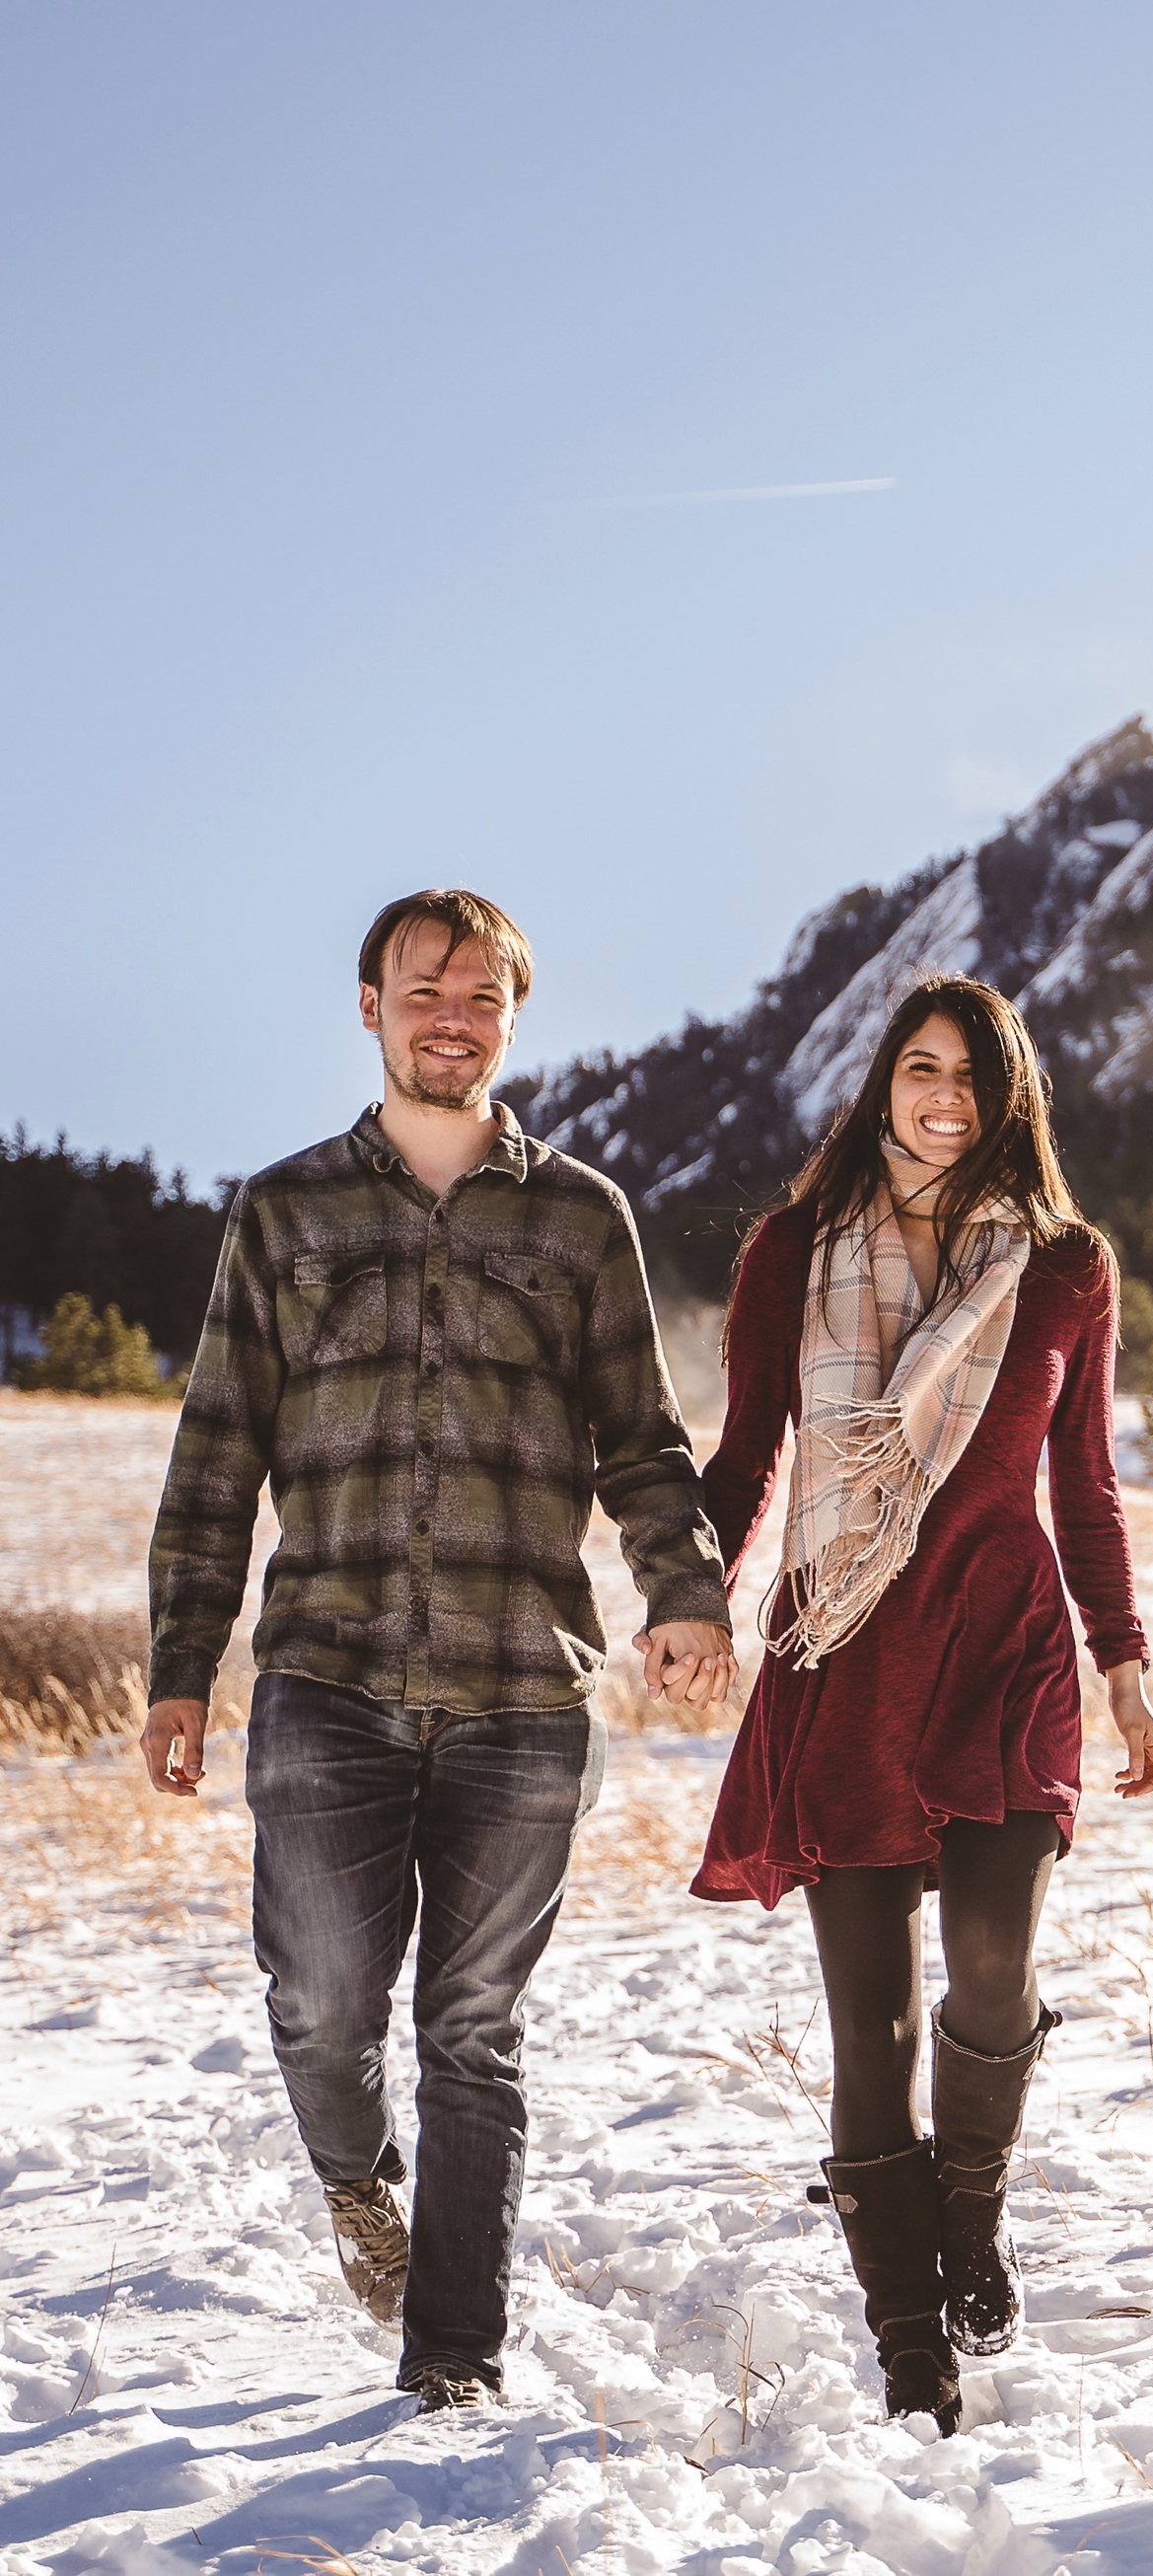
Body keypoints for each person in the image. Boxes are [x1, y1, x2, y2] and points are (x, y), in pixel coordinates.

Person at [145, 889, 738, 2410]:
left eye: (483, 997)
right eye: (426, 991)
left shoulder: (579, 1216)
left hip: (523, 1687)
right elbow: (217, 1455)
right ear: (371, 1006)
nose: (453, 1018)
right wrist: (176, 1668)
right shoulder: (283, 1214)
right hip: (325, 1677)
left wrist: (684, 1593)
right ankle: (356, 2179)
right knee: (322, 2001)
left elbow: (645, 1441)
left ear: (511, 1020)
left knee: (475, 2029)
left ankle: (451, 2356)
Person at [689, 972, 1153, 2435]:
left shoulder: (1064, 1265)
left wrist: (1126, 1666)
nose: (941, 1094)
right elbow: (751, 1452)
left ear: (1006, 1092)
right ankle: (914, 2352)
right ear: (881, 1079)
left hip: (1005, 1652)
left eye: (969, 1072)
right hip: (846, 1653)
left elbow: (1082, 1482)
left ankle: (971, 2221)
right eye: (918, 1065)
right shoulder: (792, 1250)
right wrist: (692, 1591)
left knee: (992, 1974)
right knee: (871, 2038)